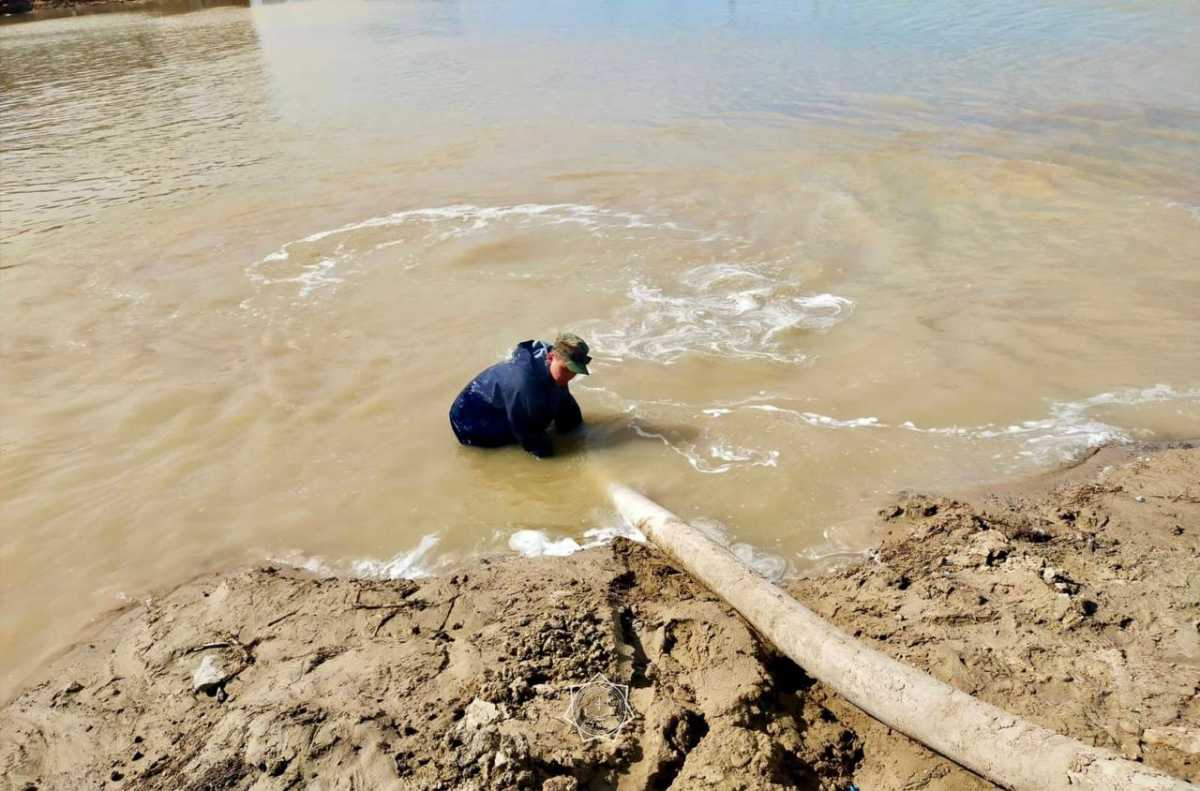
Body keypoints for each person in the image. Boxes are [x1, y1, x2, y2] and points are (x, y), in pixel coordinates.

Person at [449, 333, 592, 458]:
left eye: (575, 371)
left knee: (568, 414)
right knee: (536, 431)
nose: (570, 376)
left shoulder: (555, 366)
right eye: (566, 370)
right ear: (550, 356)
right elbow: (527, 432)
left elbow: (565, 404)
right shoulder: (525, 384)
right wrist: (551, 461)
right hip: (470, 420)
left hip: (505, 398)